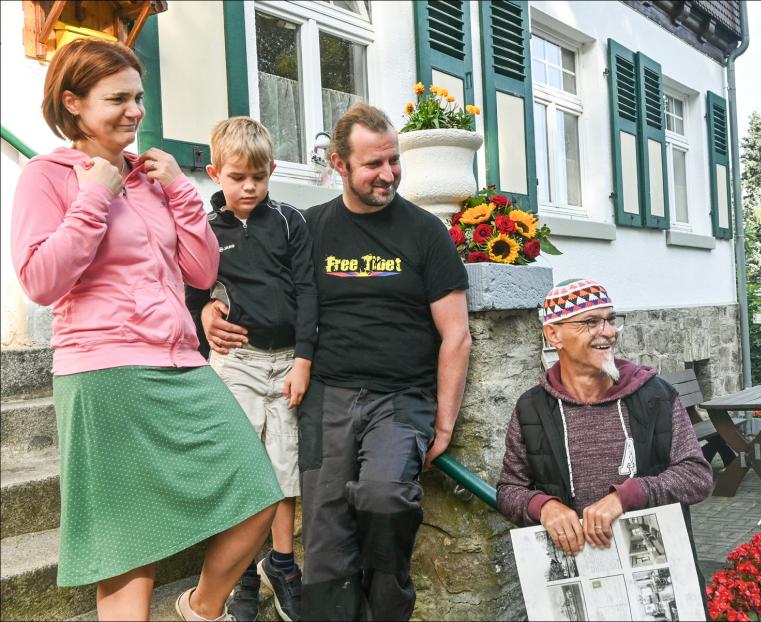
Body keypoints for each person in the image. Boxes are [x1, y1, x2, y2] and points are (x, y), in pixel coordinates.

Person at [9, 39, 282, 622]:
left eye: (138, 97)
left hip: (182, 362)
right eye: (118, 99)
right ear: (73, 102)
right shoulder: (46, 175)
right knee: (129, 547)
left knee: (260, 493)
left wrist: (180, 190)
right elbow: (40, 280)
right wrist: (92, 199)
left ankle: (200, 608)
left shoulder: (154, 178)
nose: (135, 110)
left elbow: (203, 271)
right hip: (103, 370)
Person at [204, 103, 472, 621]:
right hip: (326, 395)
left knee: (387, 496)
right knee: (325, 538)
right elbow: (243, 274)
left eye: (394, 161)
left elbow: (456, 335)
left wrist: (444, 419)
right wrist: (209, 308)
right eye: (374, 164)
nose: (389, 174)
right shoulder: (308, 228)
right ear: (339, 164)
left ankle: (385, 607)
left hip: (401, 398)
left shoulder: (425, 233)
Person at [186, 117, 316, 622]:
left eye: (259, 178)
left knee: (283, 469)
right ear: (216, 172)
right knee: (242, 468)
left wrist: (304, 358)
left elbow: (308, 291)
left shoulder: (289, 221)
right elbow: (193, 290)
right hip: (237, 361)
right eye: (238, 177)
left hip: (286, 362)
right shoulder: (203, 228)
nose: (249, 188)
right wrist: (203, 312)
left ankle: (281, 565)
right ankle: (239, 573)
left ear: (271, 172)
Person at [495, 278, 713, 580]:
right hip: (578, 578)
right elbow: (509, 489)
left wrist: (628, 495)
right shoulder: (532, 408)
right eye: (590, 322)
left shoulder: (656, 396)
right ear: (553, 334)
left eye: (611, 320)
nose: (608, 332)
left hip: (658, 574)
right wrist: (542, 506)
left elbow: (697, 476)